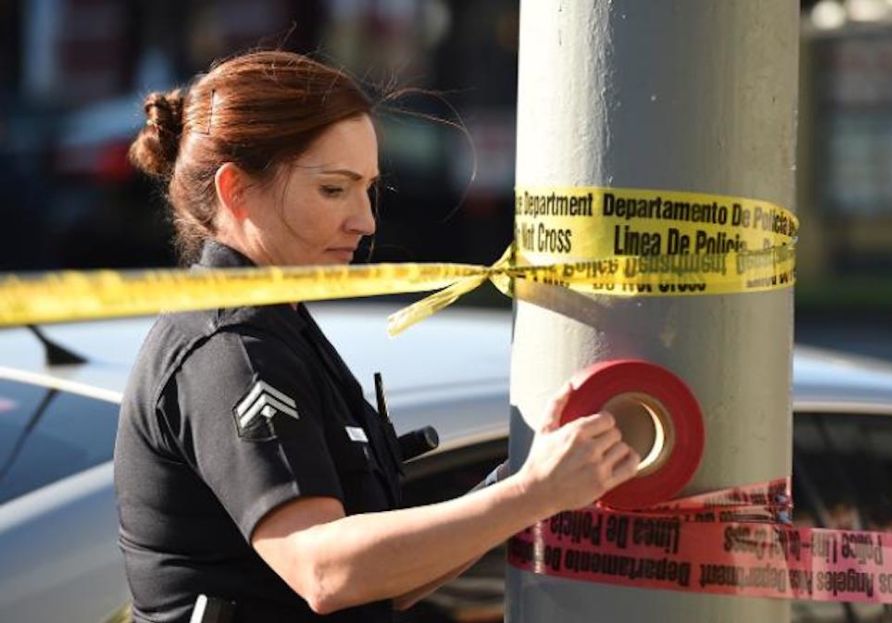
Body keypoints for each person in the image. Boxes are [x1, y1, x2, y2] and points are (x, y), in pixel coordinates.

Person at [114, 50, 639, 622]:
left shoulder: (279, 326)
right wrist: (531, 493)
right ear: (237, 190)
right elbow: (325, 571)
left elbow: (385, 581)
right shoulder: (232, 347)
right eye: (335, 190)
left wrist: (517, 481)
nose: (365, 221)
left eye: (369, 190)